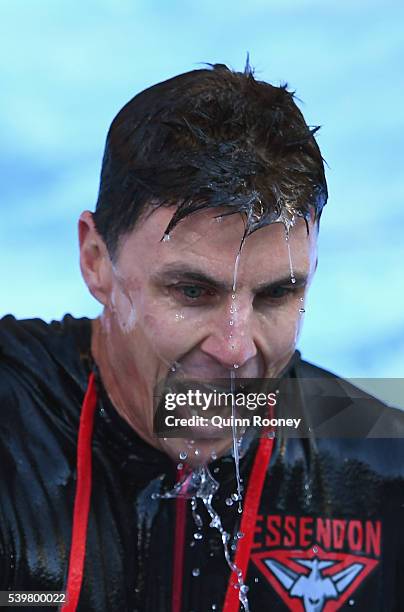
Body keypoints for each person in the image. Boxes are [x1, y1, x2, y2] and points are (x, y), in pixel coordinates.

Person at [1, 62, 404, 612]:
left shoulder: (379, 462)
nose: (236, 349)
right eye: (192, 292)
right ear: (96, 261)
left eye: (275, 296)